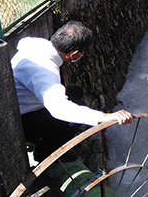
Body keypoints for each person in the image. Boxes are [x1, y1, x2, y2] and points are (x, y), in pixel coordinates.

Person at [11, 21, 133, 162]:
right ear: (74, 54)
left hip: (22, 103)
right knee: (72, 115)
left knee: (75, 92)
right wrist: (103, 116)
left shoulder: (39, 46)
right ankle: (44, 153)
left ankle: (48, 139)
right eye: (82, 53)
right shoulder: (44, 69)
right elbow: (60, 109)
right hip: (19, 121)